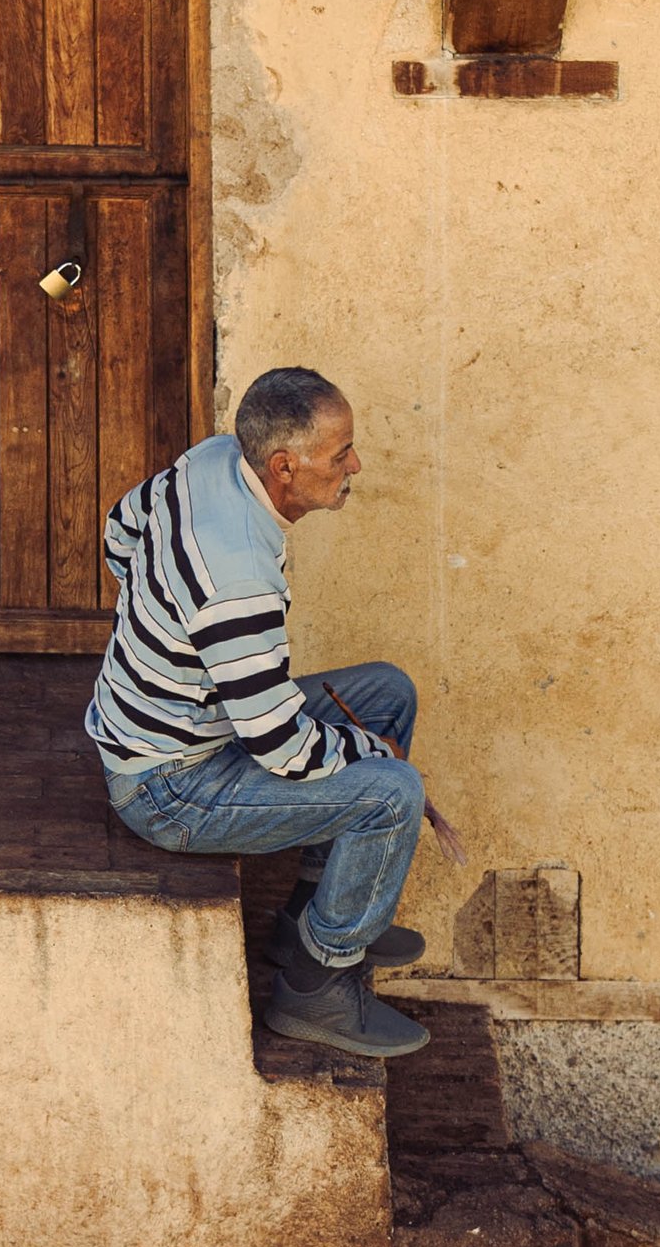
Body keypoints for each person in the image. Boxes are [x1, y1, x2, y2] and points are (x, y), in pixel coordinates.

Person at [85, 367, 462, 1062]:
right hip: (170, 788)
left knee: (387, 690)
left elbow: (119, 532)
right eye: (340, 452)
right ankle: (317, 984)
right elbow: (280, 747)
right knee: (391, 796)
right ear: (284, 467)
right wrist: (374, 756)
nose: (355, 465)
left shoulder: (212, 460)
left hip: (200, 726)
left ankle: (307, 917)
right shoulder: (237, 583)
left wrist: (161, 633)